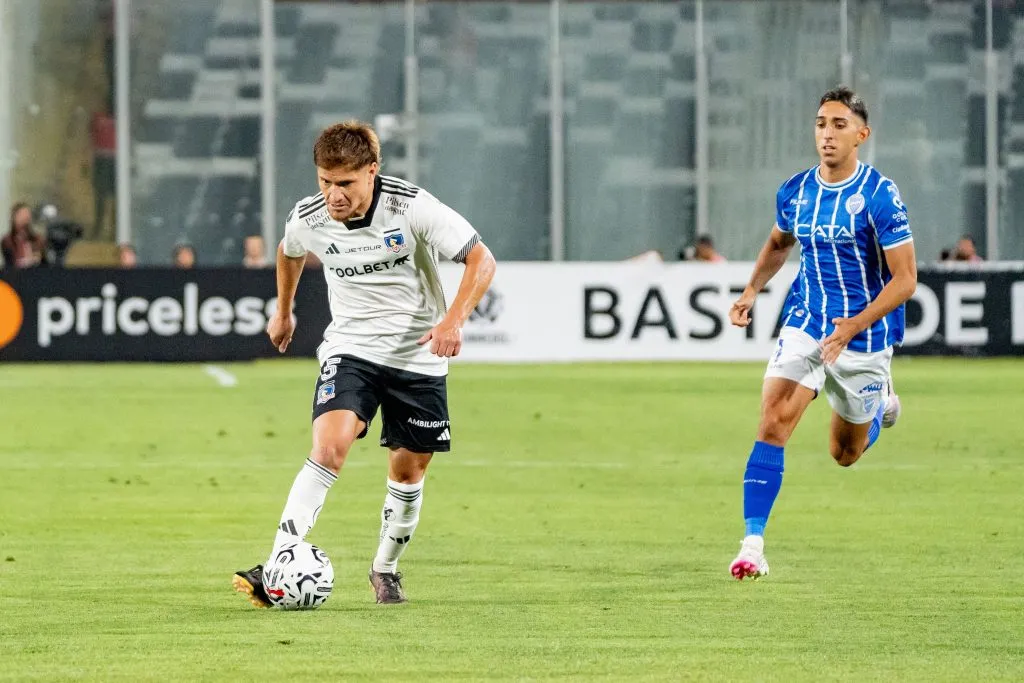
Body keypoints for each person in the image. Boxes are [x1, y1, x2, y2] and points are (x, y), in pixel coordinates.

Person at [232, 121, 496, 606]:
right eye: (325, 181)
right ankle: (279, 561)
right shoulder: (308, 217)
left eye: (345, 183)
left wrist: (453, 322)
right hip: (352, 348)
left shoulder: (411, 206)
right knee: (330, 445)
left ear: (372, 171)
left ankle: (385, 567)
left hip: (418, 354)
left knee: (409, 472)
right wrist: (283, 311)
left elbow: (482, 260)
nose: (333, 195)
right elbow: (289, 253)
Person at [727, 87, 917, 580]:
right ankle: (752, 545)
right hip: (807, 321)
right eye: (820, 124)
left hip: (863, 339)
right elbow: (778, 242)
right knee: (772, 422)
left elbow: (905, 279)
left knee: (844, 454)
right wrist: (751, 289)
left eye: (837, 125)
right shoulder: (796, 190)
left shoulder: (879, 195)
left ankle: (881, 410)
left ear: (861, 134)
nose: (826, 134)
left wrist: (853, 326)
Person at [1, 203, 45, 269]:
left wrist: (36, 258)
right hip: (16, 275)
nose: (25, 218)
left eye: (27, 215)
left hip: (36, 274)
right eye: (21, 215)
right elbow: (10, 263)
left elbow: (43, 261)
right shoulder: (7, 241)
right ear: (14, 217)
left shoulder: (37, 239)